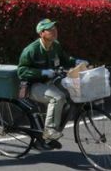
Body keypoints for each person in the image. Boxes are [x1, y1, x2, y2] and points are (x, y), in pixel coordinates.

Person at [17, 18, 85, 148]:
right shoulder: (31, 50)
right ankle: (49, 132)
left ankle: (48, 135)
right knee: (57, 97)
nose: (54, 31)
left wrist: (76, 62)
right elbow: (22, 71)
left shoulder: (56, 45)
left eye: (55, 28)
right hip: (32, 86)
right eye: (50, 29)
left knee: (70, 94)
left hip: (50, 82)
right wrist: (42, 73)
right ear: (41, 33)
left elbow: (65, 59)